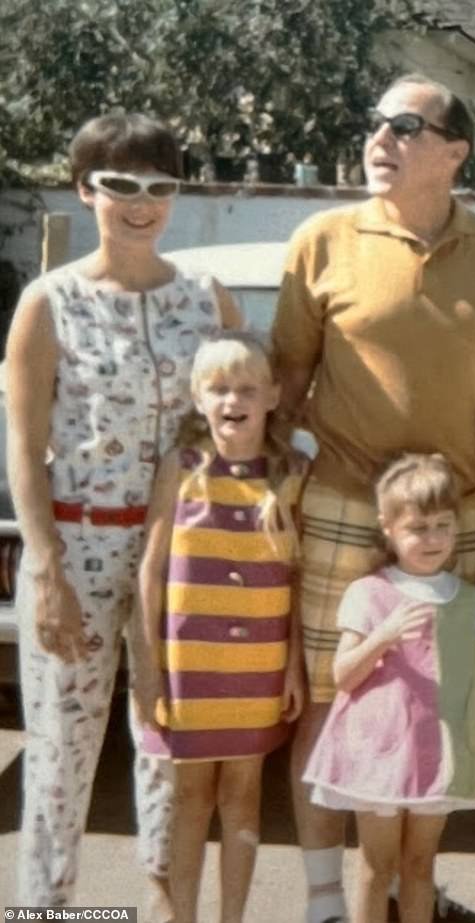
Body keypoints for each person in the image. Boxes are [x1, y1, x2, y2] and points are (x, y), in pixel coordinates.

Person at [271, 73, 475, 923]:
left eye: (404, 126)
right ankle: (326, 902)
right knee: (333, 699)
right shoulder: (320, 241)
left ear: (456, 152)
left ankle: (402, 883)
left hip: (462, 518)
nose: (379, 139)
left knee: (436, 702)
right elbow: (287, 381)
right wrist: (266, 481)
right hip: (342, 504)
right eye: (375, 122)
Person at [5, 112, 241, 913]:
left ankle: (162, 907)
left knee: (167, 744)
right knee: (60, 755)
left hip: (179, 552)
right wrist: (45, 569)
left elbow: (246, 407)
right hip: (77, 545)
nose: (142, 204)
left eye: (159, 186)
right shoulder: (50, 301)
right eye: (121, 185)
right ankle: (46, 910)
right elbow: (23, 446)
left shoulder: (205, 299)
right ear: (85, 189)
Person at [135, 331, 309, 923]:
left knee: (242, 799)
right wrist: (148, 668)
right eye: (218, 389)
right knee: (190, 799)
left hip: (257, 669)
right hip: (188, 670)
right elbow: (151, 571)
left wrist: (292, 668)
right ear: (197, 397)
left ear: (272, 396)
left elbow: (298, 580)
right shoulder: (181, 468)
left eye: (247, 389)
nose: (232, 400)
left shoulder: (290, 474)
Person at [304, 454, 475, 923]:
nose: (432, 539)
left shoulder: (469, 601)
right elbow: (343, 675)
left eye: (443, 525)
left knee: (420, 864)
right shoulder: (368, 592)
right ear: (388, 528)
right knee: (376, 866)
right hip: (379, 757)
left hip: (439, 757)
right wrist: (383, 636)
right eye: (418, 528)